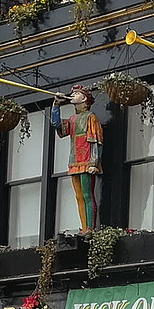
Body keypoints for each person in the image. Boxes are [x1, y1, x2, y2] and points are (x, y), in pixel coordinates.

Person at [52, 85, 103, 233]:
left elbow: (96, 140)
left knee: (87, 195)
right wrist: (56, 105)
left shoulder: (91, 117)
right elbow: (56, 124)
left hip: (86, 161)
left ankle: (90, 228)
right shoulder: (73, 119)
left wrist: (94, 162)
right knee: (79, 196)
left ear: (85, 98)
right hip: (74, 161)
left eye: (77, 93)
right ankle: (84, 227)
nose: (73, 95)